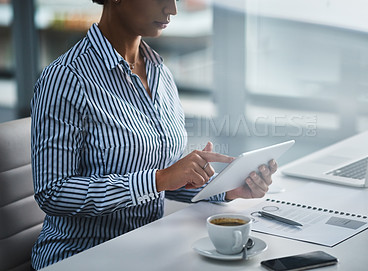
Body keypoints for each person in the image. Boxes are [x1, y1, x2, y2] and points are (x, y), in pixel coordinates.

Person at [30, 0, 278, 269]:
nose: (172, 9)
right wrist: (159, 179)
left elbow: (164, 178)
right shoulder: (66, 78)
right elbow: (53, 193)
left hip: (147, 247)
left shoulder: (160, 72)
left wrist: (226, 189)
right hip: (82, 255)